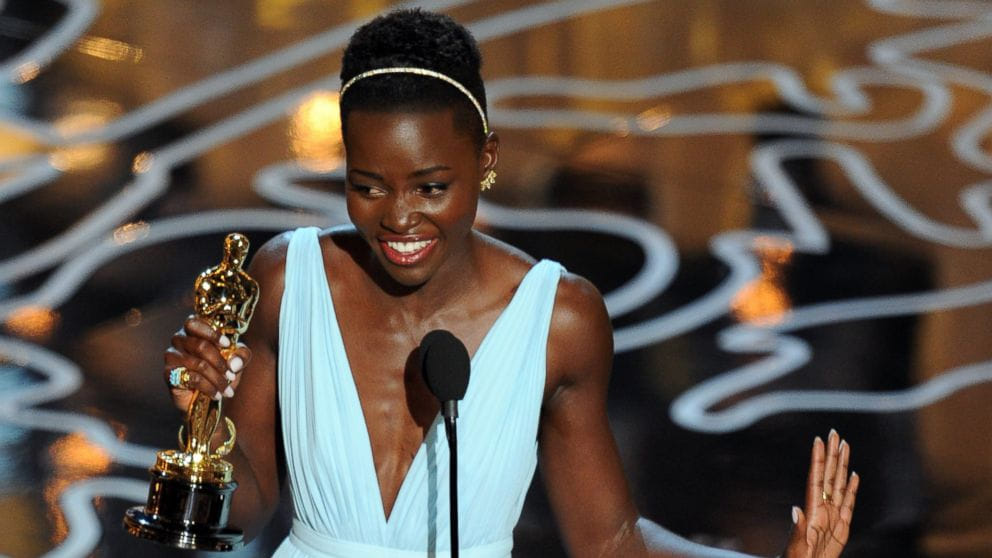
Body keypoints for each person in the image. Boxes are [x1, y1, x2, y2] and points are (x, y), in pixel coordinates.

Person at [162, 8, 858, 558]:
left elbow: (610, 540)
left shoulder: (558, 319)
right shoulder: (288, 280)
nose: (398, 218)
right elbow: (247, 509)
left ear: (486, 159)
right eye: (368, 186)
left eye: (431, 187)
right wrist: (202, 426)